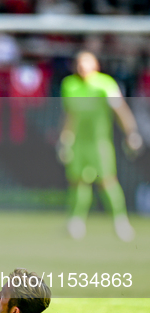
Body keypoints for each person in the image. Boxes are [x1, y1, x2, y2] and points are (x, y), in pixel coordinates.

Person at [59, 51, 143, 242]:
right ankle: (75, 222)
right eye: (79, 62)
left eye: (87, 62)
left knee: (107, 181)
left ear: (95, 65)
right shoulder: (69, 85)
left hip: (100, 143)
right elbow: (69, 114)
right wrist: (64, 139)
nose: (82, 66)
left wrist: (131, 132)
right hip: (78, 143)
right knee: (78, 182)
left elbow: (120, 110)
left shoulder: (105, 84)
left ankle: (120, 222)